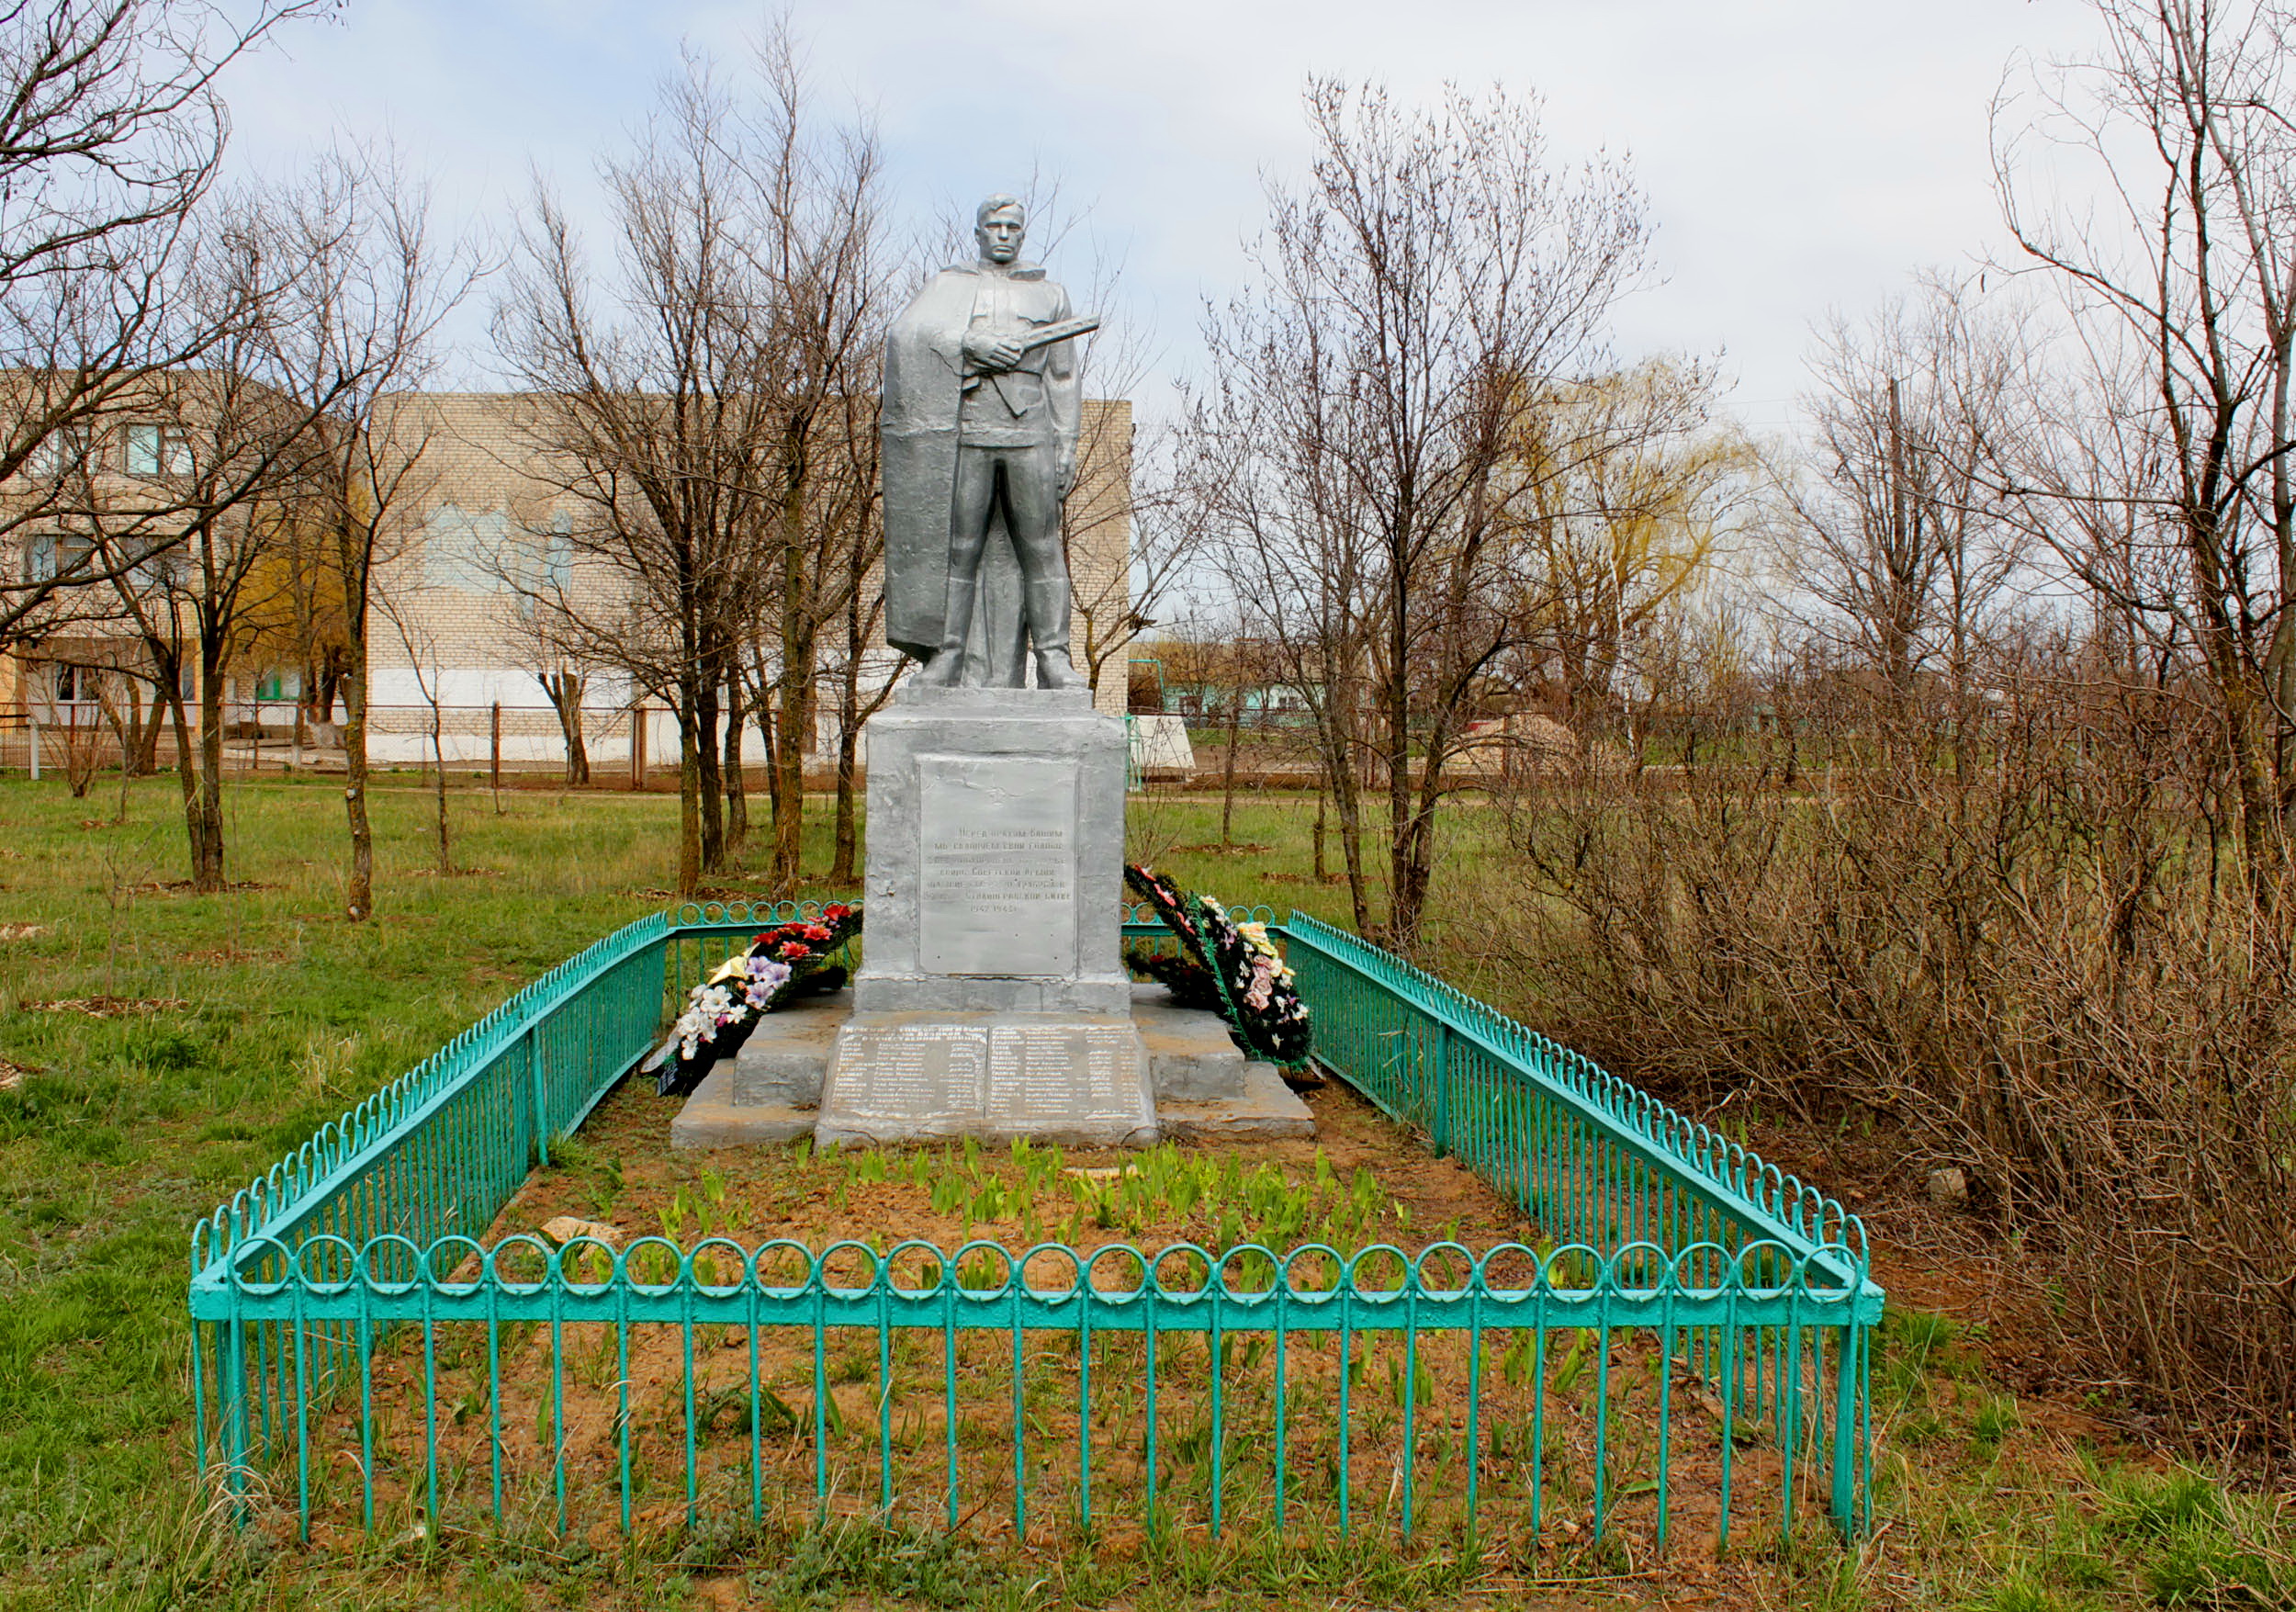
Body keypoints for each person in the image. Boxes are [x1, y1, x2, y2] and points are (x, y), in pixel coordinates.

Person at [879, 194, 1089, 689]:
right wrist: (969, 343)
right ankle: (946, 656)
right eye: (994, 226)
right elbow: (907, 337)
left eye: (1013, 227)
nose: (1003, 235)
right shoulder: (948, 287)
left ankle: (1054, 658)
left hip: (1030, 432)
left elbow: (1063, 377)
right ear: (978, 231)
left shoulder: (1050, 295)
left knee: (1041, 548)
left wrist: (1066, 445)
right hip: (967, 430)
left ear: (1023, 232)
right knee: (961, 549)